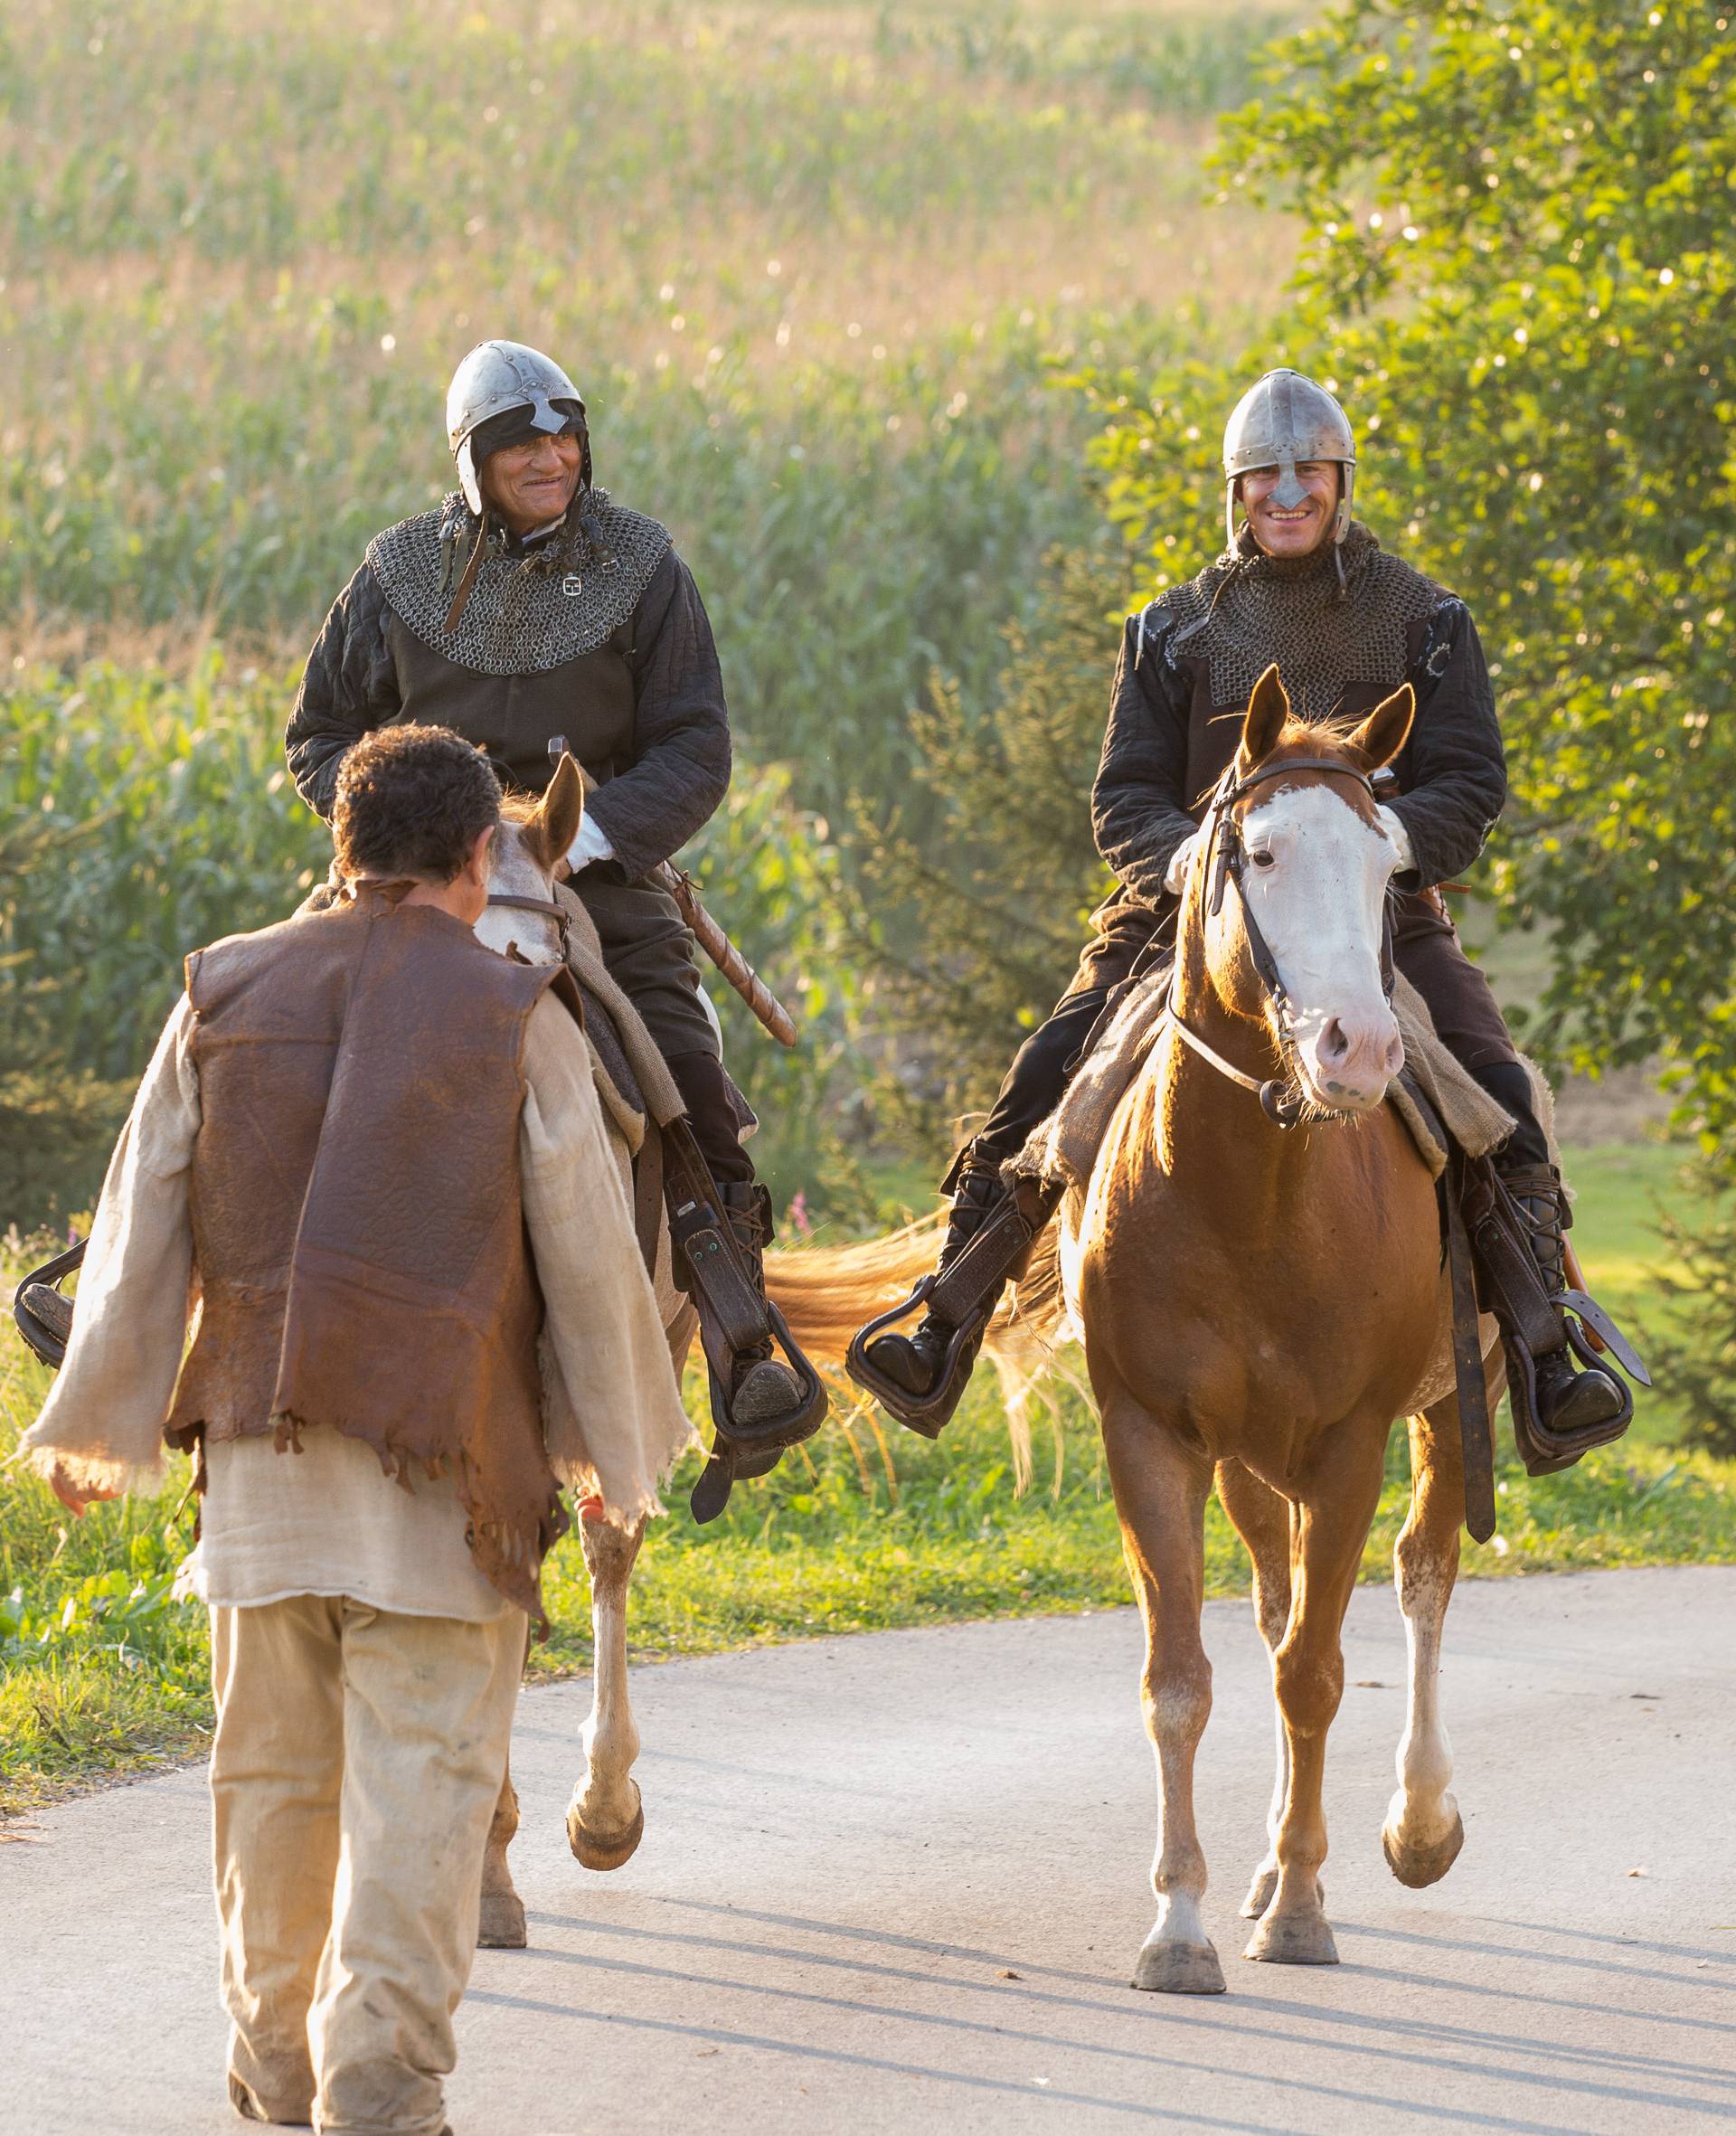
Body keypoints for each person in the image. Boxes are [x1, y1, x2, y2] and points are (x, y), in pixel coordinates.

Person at [18, 723, 692, 2136]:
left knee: (270, 1778)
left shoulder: (223, 986)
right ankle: (377, 2081)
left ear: (342, 852)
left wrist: (96, 1422)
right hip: (447, 1487)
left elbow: (141, 1223)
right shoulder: (521, 1013)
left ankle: (272, 2063)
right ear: (475, 859)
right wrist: (622, 1456)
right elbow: (586, 1254)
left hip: (259, 1479)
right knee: (424, 1786)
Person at [854, 368, 1626, 1441]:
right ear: (1236, 489)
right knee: (1046, 1073)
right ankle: (949, 1313)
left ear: (1340, 478)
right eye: (1265, 474)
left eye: (1308, 470)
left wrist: (1383, 844)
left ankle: (1547, 1348)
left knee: (1493, 1079)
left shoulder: (1426, 617)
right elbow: (1123, 794)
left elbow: (1469, 777)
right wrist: (1190, 868)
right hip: (1188, 915)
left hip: (1378, 911)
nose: (1288, 491)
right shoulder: (1171, 629)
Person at [284, 338, 817, 1447]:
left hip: (590, 870)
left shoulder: (643, 566)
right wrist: (392, 828)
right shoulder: (396, 572)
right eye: (522, 440)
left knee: (685, 1070)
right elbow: (321, 735)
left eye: (564, 434)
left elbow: (695, 742)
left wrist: (594, 838)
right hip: (413, 878)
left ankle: (738, 1334)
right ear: (475, 456)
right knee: (260, 1024)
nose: (551, 457)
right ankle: (142, 1282)